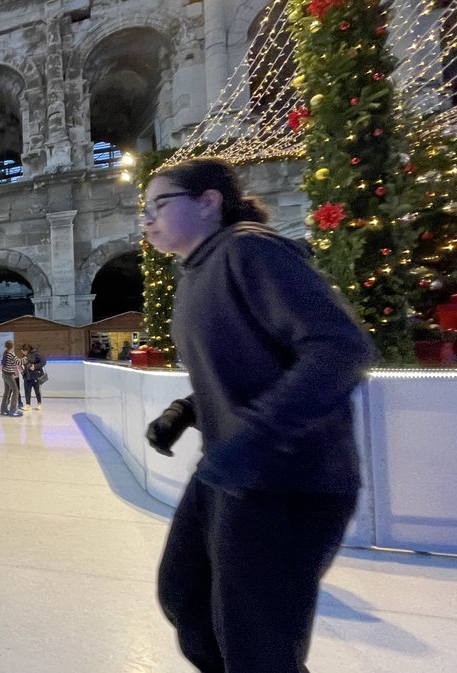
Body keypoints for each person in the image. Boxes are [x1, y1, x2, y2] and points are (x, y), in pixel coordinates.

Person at [141, 157, 375, 673]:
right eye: (145, 210)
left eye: (159, 204)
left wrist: (256, 438)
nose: (148, 220)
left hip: (288, 480)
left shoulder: (251, 249)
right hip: (228, 471)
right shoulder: (197, 273)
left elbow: (340, 348)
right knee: (185, 597)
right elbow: (250, 366)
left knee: (258, 642)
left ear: (208, 202)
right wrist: (186, 411)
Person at [0, 340, 22, 417]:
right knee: (15, 390)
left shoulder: (5, 353)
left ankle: (3, 410)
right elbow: (18, 362)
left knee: (7, 392)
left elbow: (2, 364)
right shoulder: (11, 353)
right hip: (9, 375)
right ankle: (13, 410)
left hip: (5, 374)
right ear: (12, 346)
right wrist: (26, 358)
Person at [20, 344, 45, 411]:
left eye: (23, 351)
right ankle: (28, 405)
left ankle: (39, 403)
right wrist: (23, 373)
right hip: (27, 376)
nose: (22, 352)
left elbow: (43, 362)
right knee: (27, 391)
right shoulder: (24, 356)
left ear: (26, 350)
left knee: (37, 390)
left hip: (36, 376)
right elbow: (24, 365)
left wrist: (35, 366)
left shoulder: (36, 354)